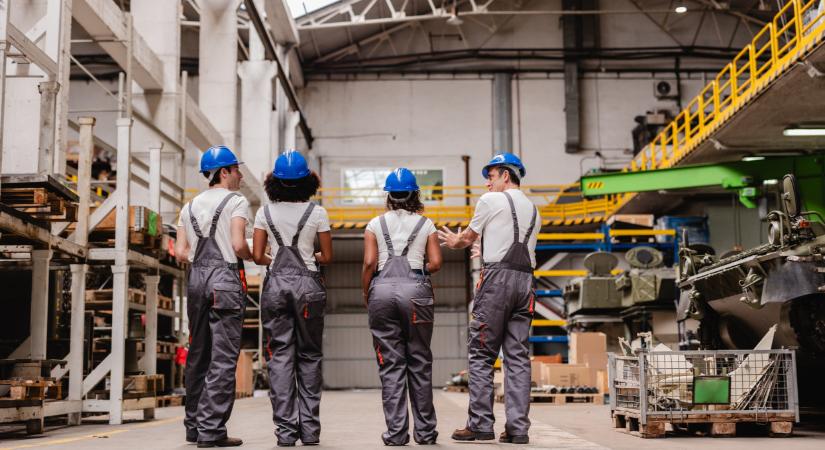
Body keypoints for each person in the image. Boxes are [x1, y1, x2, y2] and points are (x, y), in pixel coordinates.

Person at [438, 153, 540, 445]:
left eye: (491, 176)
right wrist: (490, 251)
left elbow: (467, 237)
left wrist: (456, 241)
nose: (487, 182)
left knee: (482, 354)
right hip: (525, 283)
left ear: (506, 175)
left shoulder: (489, 201)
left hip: (496, 283)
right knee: (518, 358)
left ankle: (481, 425)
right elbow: (518, 245)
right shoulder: (534, 209)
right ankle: (518, 430)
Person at [252, 150, 333, 447]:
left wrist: (276, 256)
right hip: (308, 288)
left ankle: (286, 433)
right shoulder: (318, 212)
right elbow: (329, 256)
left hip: (275, 287)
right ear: (308, 181)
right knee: (309, 356)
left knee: (280, 358)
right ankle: (310, 431)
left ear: (274, 181)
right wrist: (308, 256)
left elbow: (259, 256)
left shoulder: (264, 212)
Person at [175, 145, 252, 448]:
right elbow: (237, 245)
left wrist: (200, 259)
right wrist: (259, 254)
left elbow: (181, 252)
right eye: (236, 169)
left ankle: (194, 427)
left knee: (198, 354)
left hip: (196, 280)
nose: (240, 174)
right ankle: (211, 431)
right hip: (224, 279)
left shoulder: (188, 206)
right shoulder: (237, 201)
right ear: (224, 172)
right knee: (223, 357)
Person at [362, 168, 443, 446]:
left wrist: (367, 292)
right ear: (415, 194)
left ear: (389, 195)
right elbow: (436, 262)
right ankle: (426, 433)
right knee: (419, 361)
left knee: (391, 365)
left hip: (381, 294)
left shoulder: (374, 225)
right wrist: (418, 270)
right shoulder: (426, 224)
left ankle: (396, 434)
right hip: (416, 293)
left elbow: (370, 263)